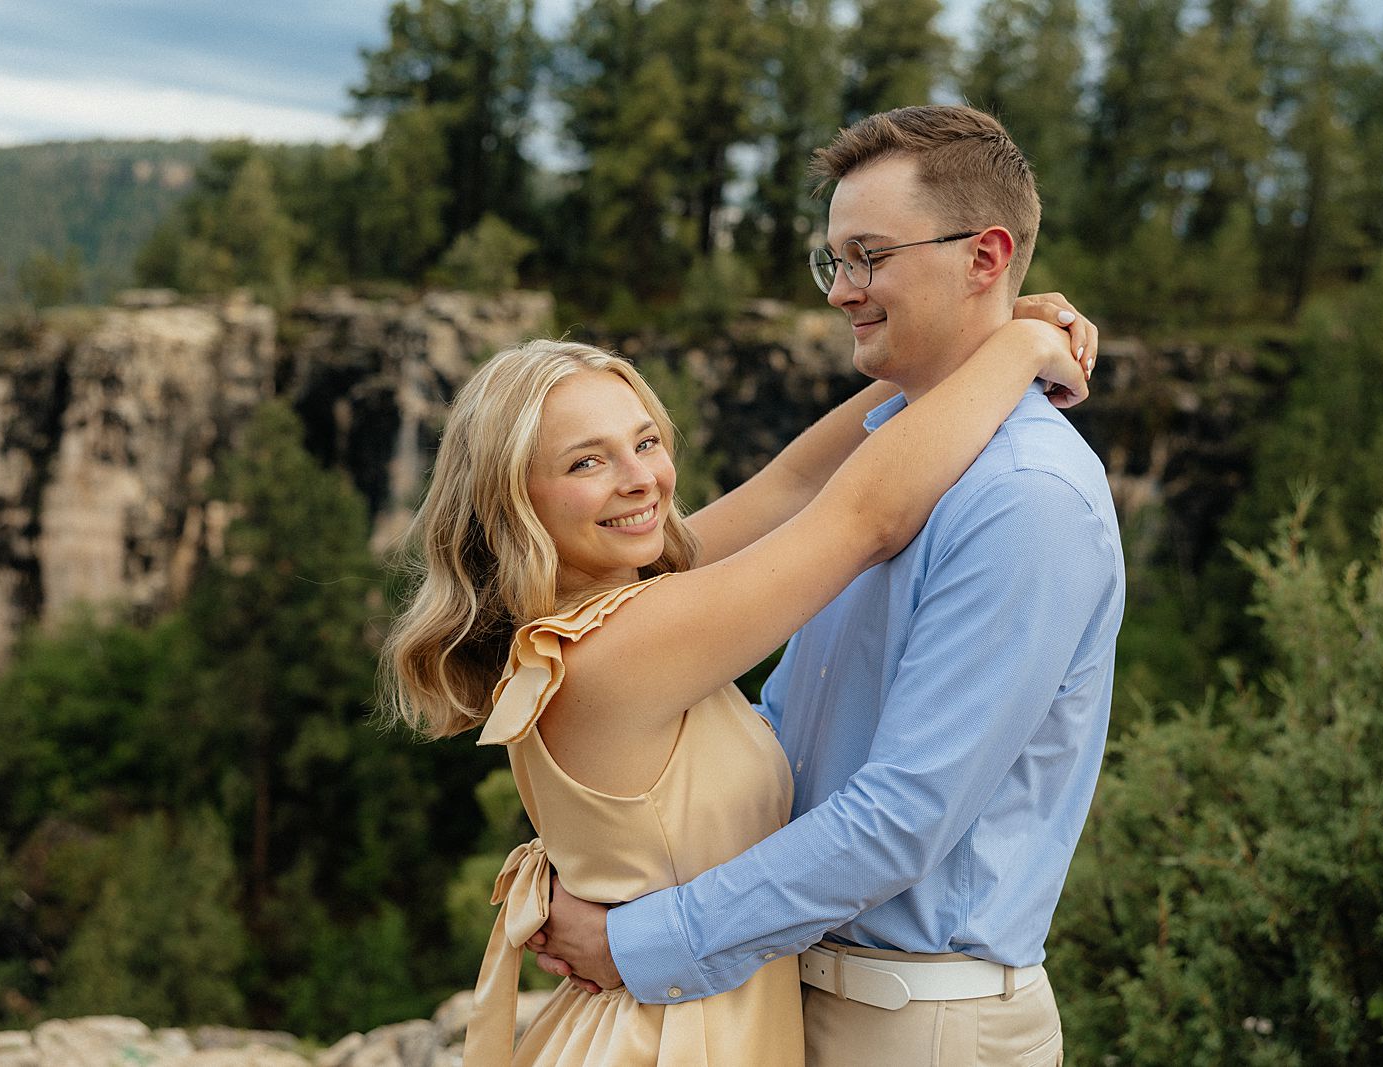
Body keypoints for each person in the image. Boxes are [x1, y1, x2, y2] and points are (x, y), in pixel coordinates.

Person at [529, 105, 1125, 1067]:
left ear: (986, 255)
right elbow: (798, 705)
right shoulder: (897, 452)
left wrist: (643, 939)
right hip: (799, 989)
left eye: (868, 256)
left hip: (916, 1025)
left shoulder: (1027, 499)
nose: (841, 290)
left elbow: (899, 820)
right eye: (834, 259)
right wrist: (1010, 338)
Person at [380, 295, 1093, 1059]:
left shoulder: (607, 600)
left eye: (646, 441)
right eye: (586, 460)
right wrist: (1014, 353)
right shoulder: (624, 645)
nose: (639, 480)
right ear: (512, 499)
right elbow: (862, 516)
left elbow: (792, 483)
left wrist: (956, 349)